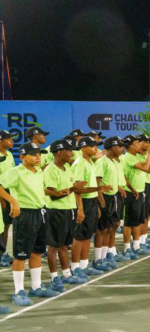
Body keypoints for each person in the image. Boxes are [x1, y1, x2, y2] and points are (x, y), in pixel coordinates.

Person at [0, 141, 58, 307]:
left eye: (39, 154)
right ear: (22, 157)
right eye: (33, 154)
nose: (37, 157)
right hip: (25, 215)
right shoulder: (16, 172)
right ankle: (18, 291)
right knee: (21, 254)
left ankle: (36, 286)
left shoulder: (39, 171)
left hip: (40, 213)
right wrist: (13, 201)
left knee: (37, 252)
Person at [42, 139, 85, 292]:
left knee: (64, 245)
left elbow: (72, 190)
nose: (72, 153)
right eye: (68, 151)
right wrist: (73, 188)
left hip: (68, 210)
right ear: (59, 153)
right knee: (53, 246)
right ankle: (54, 277)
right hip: (56, 211)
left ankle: (66, 274)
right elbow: (53, 196)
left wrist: (79, 208)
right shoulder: (50, 170)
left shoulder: (67, 167)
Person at [71, 136, 112, 278]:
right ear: (83, 148)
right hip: (83, 203)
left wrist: (97, 204)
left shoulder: (91, 162)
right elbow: (77, 189)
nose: (96, 149)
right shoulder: (80, 164)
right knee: (79, 236)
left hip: (92, 202)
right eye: (92, 146)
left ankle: (84, 265)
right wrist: (80, 209)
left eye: (96, 146)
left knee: (88, 234)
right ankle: (75, 268)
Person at [95, 136, 130, 267]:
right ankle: (98, 260)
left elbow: (114, 180)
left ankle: (105, 256)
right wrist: (101, 201)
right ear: (112, 147)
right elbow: (97, 182)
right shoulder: (101, 162)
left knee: (110, 227)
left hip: (114, 196)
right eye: (120, 146)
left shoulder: (115, 162)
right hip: (105, 198)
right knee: (101, 229)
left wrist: (119, 188)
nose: (123, 148)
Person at [121, 135, 150, 256]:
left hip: (139, 191)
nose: (139, 145)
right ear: (129, 146)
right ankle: (127, 248)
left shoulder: (134, 156)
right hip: (130, 193)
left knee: (137, 221)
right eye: (137, 144)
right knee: (129, 222)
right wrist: (149, 154)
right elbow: (145, 168)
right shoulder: (128, 157)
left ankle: (136, 246)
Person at [0, 130, 16, 269]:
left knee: (6, 226)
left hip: (9, 193)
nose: (12, 141)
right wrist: (3, 200)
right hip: (2, 195)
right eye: (9, 139)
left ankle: (3, 252)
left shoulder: (9, 154)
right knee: (2, 226)